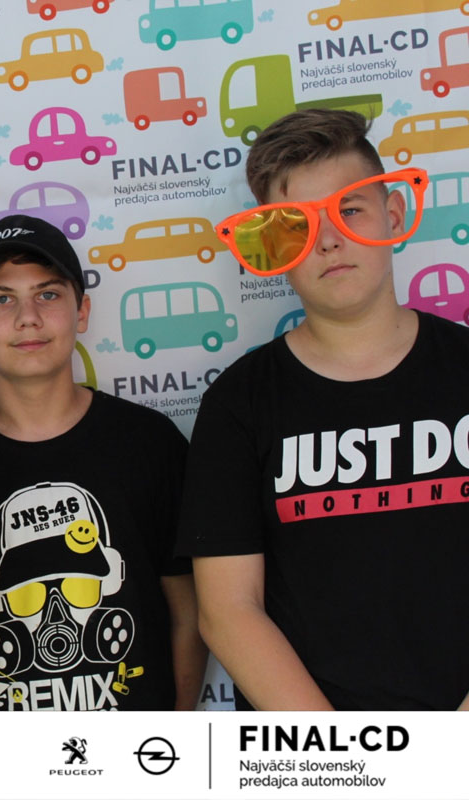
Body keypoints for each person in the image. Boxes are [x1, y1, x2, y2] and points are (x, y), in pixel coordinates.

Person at [179, 108, 469, 710]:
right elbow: (228, 610)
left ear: (394, 215)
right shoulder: (238, 404)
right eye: (297, 226)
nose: (329, 240)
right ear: (271, 247)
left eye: (350, 210)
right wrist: (341, 750)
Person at [0, 215, 207, 711]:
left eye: (48, 294)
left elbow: (189, 611)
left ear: (83, 310)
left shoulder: (148, 442)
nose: (28, 317)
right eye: (2, 299)